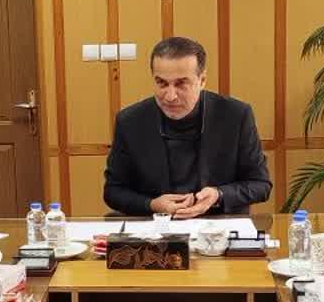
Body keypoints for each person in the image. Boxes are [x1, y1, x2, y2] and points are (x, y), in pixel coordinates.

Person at [102, 35, 272, 217]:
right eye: (162, 83)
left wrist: (219, 195)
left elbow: (260, 185)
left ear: (202, 80)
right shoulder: (130, 121)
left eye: (181, 83)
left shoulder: (236, 116)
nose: (170, 96)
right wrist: (152, 205)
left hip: (218, 223)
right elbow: (113, 191)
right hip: (156, 225)